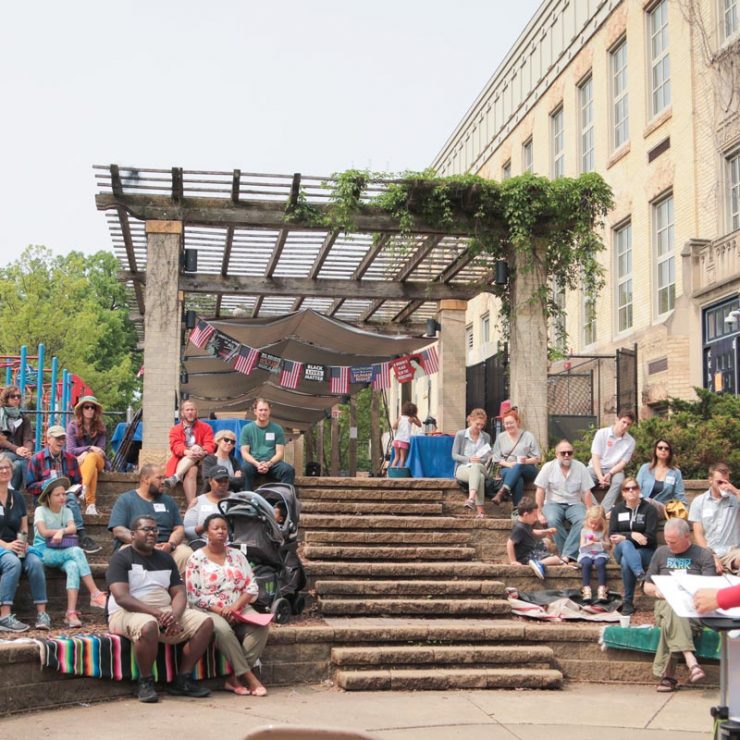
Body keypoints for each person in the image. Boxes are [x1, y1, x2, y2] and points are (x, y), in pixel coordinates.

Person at [106, 514, 214, 703]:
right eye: (146, 529)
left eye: (155, 530)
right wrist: (158, 614)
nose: (152, 533)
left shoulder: (165, 558)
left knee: (204, 622)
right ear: (132, 534)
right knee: (148, 625)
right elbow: (122, 597)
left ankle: (183, 679)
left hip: (165, 611)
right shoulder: (120, 558)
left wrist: (175, 615)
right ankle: (145, 681)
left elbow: (179, 592)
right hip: (126, 612)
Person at [185, 513, 269, 696]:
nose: (221, 532)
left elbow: (252, 586)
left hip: (238, 605)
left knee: (261, 625)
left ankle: (233, 679)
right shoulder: (196, 558)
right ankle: (249, 677)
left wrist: (236, 606)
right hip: (210, 609)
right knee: (223, 630)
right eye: (216, 528)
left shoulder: (237, 555)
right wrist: (219, 609)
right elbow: (193, 594)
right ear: (207, 532)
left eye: (224, 528)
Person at [644, 518, 715, 692]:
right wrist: (657, 591)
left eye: (673, 541)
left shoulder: (703, 555)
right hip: (664, 605)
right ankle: (691, 661)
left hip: (694, 609)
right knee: (672, 607)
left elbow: (709, 589)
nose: (669, 545)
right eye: (667, 540)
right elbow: (646, 586)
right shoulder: (661, 553)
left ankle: (667, 677)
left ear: (686, 536)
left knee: (674, 616)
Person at [32, 477, 107, 627]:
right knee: (77, 551)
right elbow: (43, 531)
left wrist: (61, 531)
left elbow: (73, 528)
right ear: (48, 497)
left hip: (62, 550)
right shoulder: (40, 510)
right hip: (43, 551)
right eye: (57, 495)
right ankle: (94, 592)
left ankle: (70, 613)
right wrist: (58, 533)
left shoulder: (66, 511)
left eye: (63, 494)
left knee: (73, 566)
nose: (62, 498)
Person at [26, 425, 100, 555]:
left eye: (63, 438)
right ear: (48, 439)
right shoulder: (36, 459)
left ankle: (81, 536)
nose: (61, 441)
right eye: (57, 438)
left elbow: (78, 482)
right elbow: (29, 486)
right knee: (66, 499)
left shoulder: (71, 459)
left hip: (65, 496)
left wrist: (73, 490)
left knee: (70, 497)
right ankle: (81, 535)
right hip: (44, 498)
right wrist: (44, 485)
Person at [108, 464, 192, 573]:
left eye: (164, 477)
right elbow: (118, 530)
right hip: (137, 546)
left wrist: (171, 545)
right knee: (125, 552)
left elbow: (179, 528)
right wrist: (145, 544)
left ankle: (178, 588)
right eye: (159, 478)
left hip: (166, 549)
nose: (163, 481)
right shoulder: (126, 499)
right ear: (145, 479)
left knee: (187, 554)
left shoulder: (168, 501)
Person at [0, 453, 49, 632]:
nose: (4, 471)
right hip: (2, 547)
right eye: (1, 468)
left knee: (35, 561)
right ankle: (4, 616)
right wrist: (6, 546)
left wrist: (23, 542)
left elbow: (23, 527)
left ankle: (42, 614)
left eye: (7, 467)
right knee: (12, 563)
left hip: (15, 545)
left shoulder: (17, 497)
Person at [534, 439, 593, 562]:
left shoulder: (580, 467)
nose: (566, 455)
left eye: (569, 453)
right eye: (563, 453)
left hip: (575, 503)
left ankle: (565, 555)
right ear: (556, 454)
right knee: (552, 520)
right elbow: (540, 490)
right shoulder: (548, 467)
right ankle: (570, 555)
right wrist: (539, 513)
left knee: (583, 520)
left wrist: (589, 511)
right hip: (553, 503)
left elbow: (586, 492)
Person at [608, 477, 658, 616]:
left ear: (639, 490)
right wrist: (631, 536)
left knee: (626, 561)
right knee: (625, 544)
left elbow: (651, 538)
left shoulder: (649, 510)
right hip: (621, 549)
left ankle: (628, 602)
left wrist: (626, 536)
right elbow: (612, 535)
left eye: (634, 488)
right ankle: (641, 575)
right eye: (627, 489)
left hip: (645, 551)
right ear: (623, 493)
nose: (631, 491)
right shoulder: (617, 510)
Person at [688, 462, 740, 575]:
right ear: (710, 480)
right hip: (709, 551)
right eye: (720, 482)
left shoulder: (735, 499)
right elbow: (698, 534)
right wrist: (711, 555)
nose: (724, 485)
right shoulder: (699, 502)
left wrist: (735, 491)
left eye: (726, 482)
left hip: (732, 553)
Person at [164, 400, 216, 505]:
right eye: (187, 410)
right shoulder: (175, 429)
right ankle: (191, 505)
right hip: (182, 460)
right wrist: (187, 452)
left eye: (192, 409)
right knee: (192, 470)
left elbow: (210, 444)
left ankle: (176, 476)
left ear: (196, 412)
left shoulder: (206, 427)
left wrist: (203, 451)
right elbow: (175, 446)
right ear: (182, 413)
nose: (190, 412)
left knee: (196, 447)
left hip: (202, 459)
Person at [239, 398, 295, 491]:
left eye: (266, 410)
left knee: (288, 470)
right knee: (244, 469)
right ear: (255, 411)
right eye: (260, 410)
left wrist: (268, 464)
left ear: (269, 411)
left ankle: (283, 501)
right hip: (254, 462)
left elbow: (280, 453)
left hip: (272, 463)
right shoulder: (247, 429)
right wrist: (257, 464)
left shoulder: (277, 429)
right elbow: (244, 453)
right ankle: (246, 500)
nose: (263, 412)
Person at [490, 408, 541, 509]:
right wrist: (509, 464)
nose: (508, 426)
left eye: (511, 423)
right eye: (506, 423)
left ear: (517, 422)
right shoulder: (501, 437)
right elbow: (496, 458)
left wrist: (525, 461)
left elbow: (537, 458)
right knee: (518, 479)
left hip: (527, 468)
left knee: (519, 465)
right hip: (506, 468)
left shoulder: (528, 436)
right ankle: (516, 510)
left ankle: (502, 491)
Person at [66, 395, 108, 516]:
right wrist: (88, 448)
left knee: (92, 457)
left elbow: (100, 451)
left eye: (92, 407)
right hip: (80, 462)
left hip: (98, 460)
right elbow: (70, 450)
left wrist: (87, 451)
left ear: (95, 410)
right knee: (92, 469)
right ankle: (90, 505)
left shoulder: (101, 427)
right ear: (81, 410)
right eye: (86, 407)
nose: (89, 410)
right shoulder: (72, 426)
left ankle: (82, 488)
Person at [587, 410, 636, 513]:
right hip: (595, 467)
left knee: (619, 482)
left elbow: (623, 463)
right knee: (581, 481)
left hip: (614, 469)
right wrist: (600, 476)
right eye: (623, 422)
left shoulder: (630, 441)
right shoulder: (602, 433)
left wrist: (610, 473)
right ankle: (595, 509)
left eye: (628, 424)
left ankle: (603, 511)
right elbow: (595, 457)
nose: (625, 426)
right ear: (617, 419)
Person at [452, 408, 493, 519]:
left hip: (481, 466)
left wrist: (481, 459)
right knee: (478, 476)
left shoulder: (486, 437)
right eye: (477, 424)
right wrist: (469, 459)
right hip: (463, 468)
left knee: (477, 468)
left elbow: (487, 457)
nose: (479, 427)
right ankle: (481, 512)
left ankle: (471, 499)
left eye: (482, 425)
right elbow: (454, 455)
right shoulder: (460, 435)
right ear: (470, 421)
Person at [506, 496, 560, 579]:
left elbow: (533, 532)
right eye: (535, 516)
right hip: (526, 556)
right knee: (556, 559)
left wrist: (546, 531)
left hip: (531, 548)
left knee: (547, 541)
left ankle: (541, 559)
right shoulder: (519, 528)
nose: (536, 519)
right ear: (526, 515)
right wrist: (513, 561)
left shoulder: (525, 523)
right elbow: (510, 543)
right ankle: (539, 563)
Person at [635, 439, 687, 520]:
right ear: (655, 450)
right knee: (646, 504)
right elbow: (636, 489)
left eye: (666, 448)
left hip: (663, 509)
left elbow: (679, 495)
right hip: (643, 506)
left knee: (649, 502)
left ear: (670, 452)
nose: (663, 450)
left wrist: (685, 510)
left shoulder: (675, 473)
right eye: (660, 448)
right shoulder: (645, 468)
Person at [183, 466, 231, 546]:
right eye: (219, 481)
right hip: (204, 543)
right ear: (210, 481)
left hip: (230, 543)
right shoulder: (198, 501)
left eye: (225, 481)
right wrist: (204, 526)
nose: (223, 484)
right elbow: (187, 531)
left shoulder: (236, 499)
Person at [0, 386, 33, 491]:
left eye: (18, 396)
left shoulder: (23, 418)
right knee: (23, 460)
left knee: (19, 465)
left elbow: (28, 438)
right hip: (3, 452)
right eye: (12, 396)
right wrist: (17, 449)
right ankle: (29, 487)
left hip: (18, 454)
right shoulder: (1, 415)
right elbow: (1, 441)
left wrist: (27, 450)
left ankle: (10, 492)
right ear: (6, 398)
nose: (16, 399)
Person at [578, 505, 611, 603]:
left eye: (596, 524)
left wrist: (599, 541)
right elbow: (581, 545)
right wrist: (587, 544)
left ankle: (602, 587)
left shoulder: (603, 531)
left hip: (600, 554)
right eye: (591, 523)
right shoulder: (584, 531)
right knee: (586, 563)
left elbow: (609, 545)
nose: (593, 526)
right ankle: (586, 588)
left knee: (600, 563)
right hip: (587, 553)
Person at [390, 402, 421, 468]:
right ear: (413, 412)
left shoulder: (400, 417)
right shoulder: (411, 419)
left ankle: (392, 472)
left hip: (396, 440)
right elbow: (419, 425)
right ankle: (401, 473)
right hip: (403, 440)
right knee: (402, 458)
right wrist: (416, 417)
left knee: (396, 457)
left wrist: (398, 423)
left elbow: (394, 427)